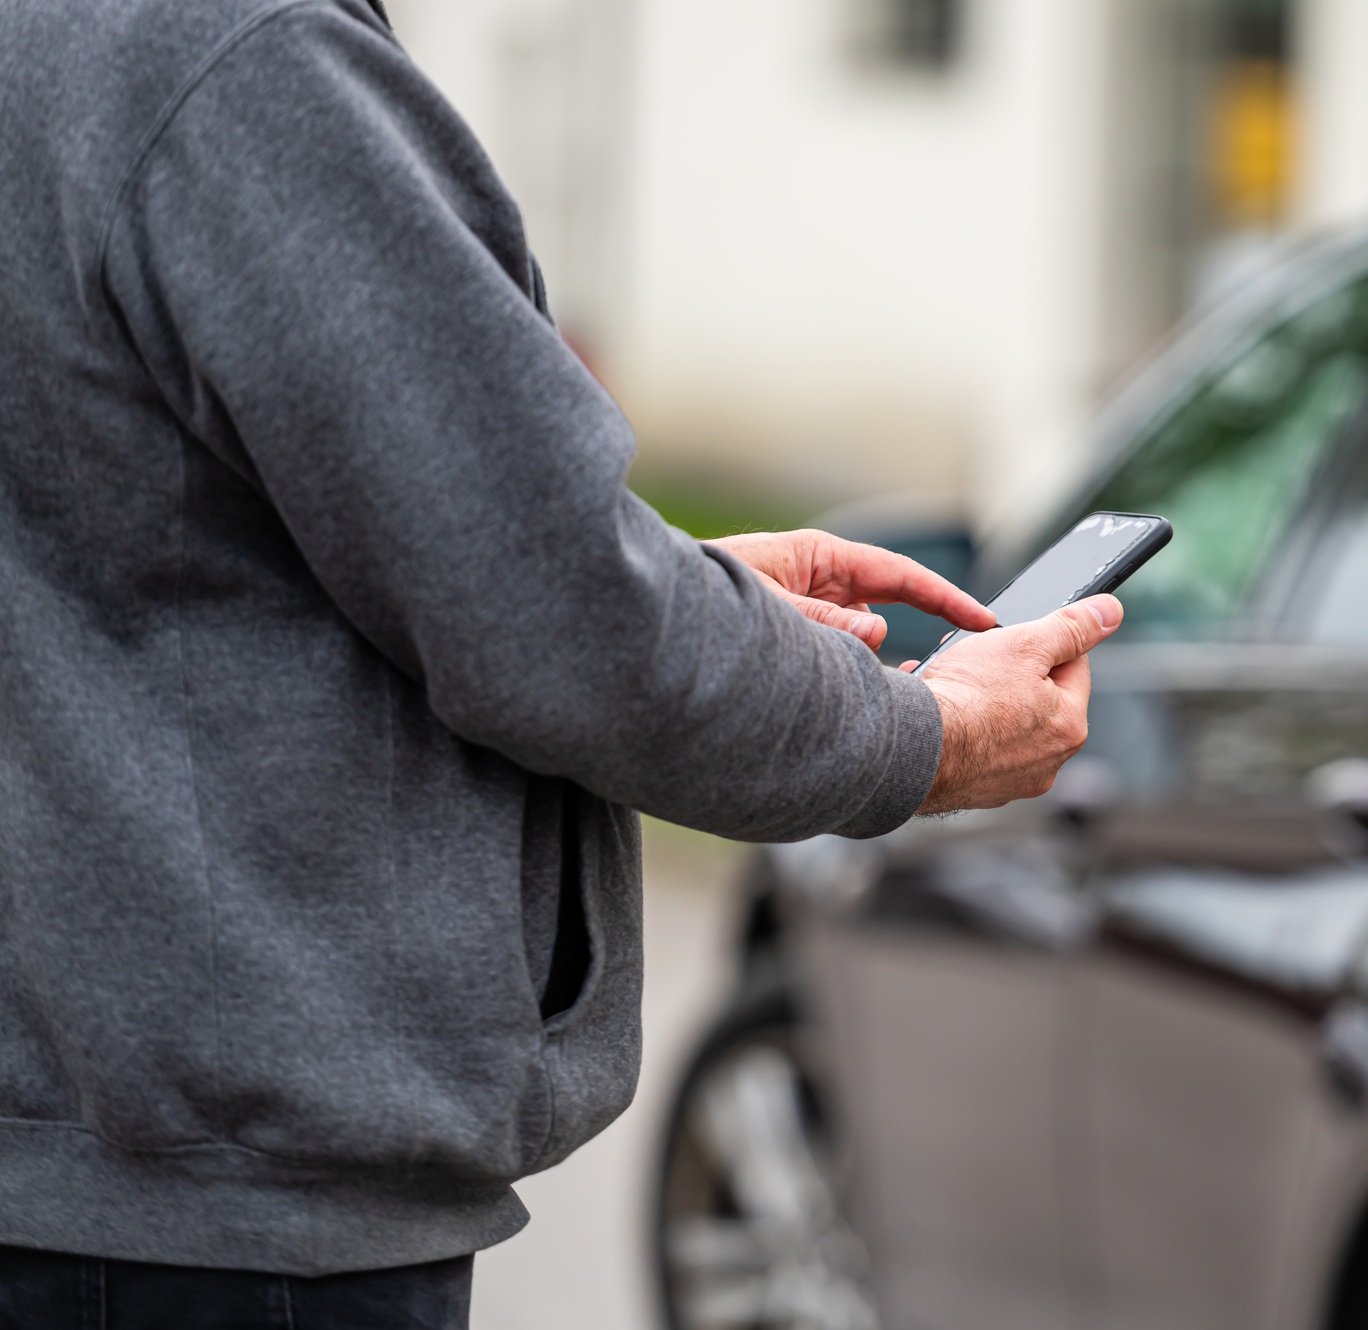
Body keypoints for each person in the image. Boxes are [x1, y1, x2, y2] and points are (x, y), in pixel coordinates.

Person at [0, 0, 1122, 1324]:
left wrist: (668, 581)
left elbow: (161, 526)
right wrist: (917, 737)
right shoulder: (236, 53)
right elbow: (557, 615)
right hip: (228, 1241)